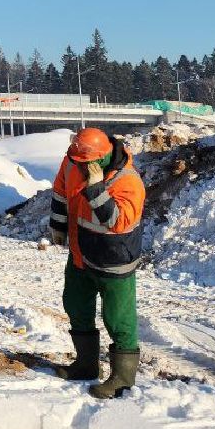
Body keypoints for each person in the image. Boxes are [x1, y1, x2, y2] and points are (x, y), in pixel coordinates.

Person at [49, 126, 147, 398]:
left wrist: (96, 190)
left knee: (118, 318)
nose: (78, 166)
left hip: (113, 259)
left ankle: (122, 379)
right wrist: (58, 225)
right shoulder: (72, 160)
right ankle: (85, 364)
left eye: (85, 162)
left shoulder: (128, 181)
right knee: (76, 304)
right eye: (76, 160)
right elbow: (60, 191)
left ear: (101, 158)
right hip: (81, 253)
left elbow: (119, 221)